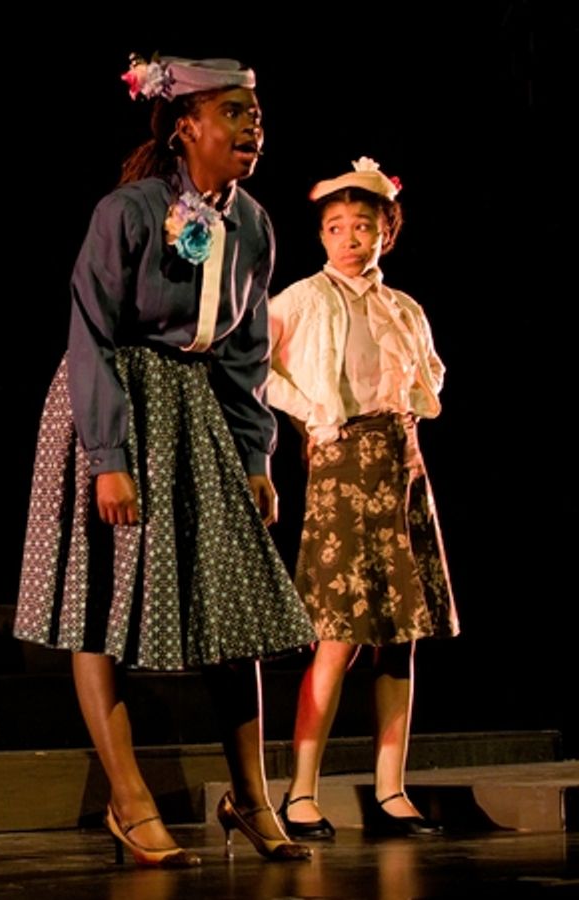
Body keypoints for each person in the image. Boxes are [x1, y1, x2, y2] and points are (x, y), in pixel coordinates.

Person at [14, 54, 316, 866]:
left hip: (202, 413)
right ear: (186, 125)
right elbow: (93, 329)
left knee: (235, 607)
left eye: (257, 115)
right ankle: (129, 795)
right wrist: (109, 453)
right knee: (100, 602)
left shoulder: (253, 224)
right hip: (116, 398)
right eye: (234, 113)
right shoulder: (129, 211)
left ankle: (250, 796)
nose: (253, 128)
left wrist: (255, 456)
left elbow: (246, 351)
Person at [267, 158, 458, 839]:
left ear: (386, 232)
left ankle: (389, 788)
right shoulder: (300, 298)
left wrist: (403, 419)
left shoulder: (402, 306)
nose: (350, 238)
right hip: (340, 463)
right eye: (336, 226)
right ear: (320, 234)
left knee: (400, 635)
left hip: (400, 464)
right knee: (336, 632)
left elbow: (427, 377)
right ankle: (301, 791)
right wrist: (313, 415)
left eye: (364, 226)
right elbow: (257, 365)